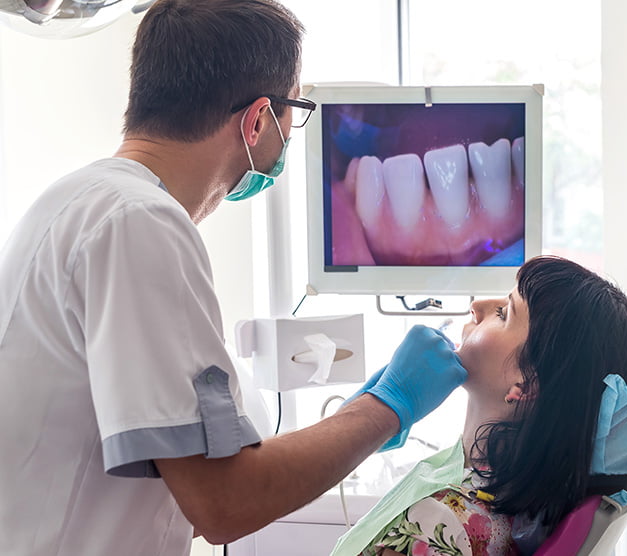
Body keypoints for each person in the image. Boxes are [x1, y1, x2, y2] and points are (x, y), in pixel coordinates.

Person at [0, 1, 465, 554]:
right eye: (296, 112)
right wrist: (388, 406)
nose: (289, 138)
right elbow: (221, 505)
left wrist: (351, 420)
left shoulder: (77, 200)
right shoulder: (140, 223)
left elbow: (185, 494)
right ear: (257, 120)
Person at [331, 256, 627, 556]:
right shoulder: (519, 500)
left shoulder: (440, 523)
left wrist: (382, 408)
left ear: (525, 384)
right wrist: (364, 423)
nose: (478, 305)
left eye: (504, 313)